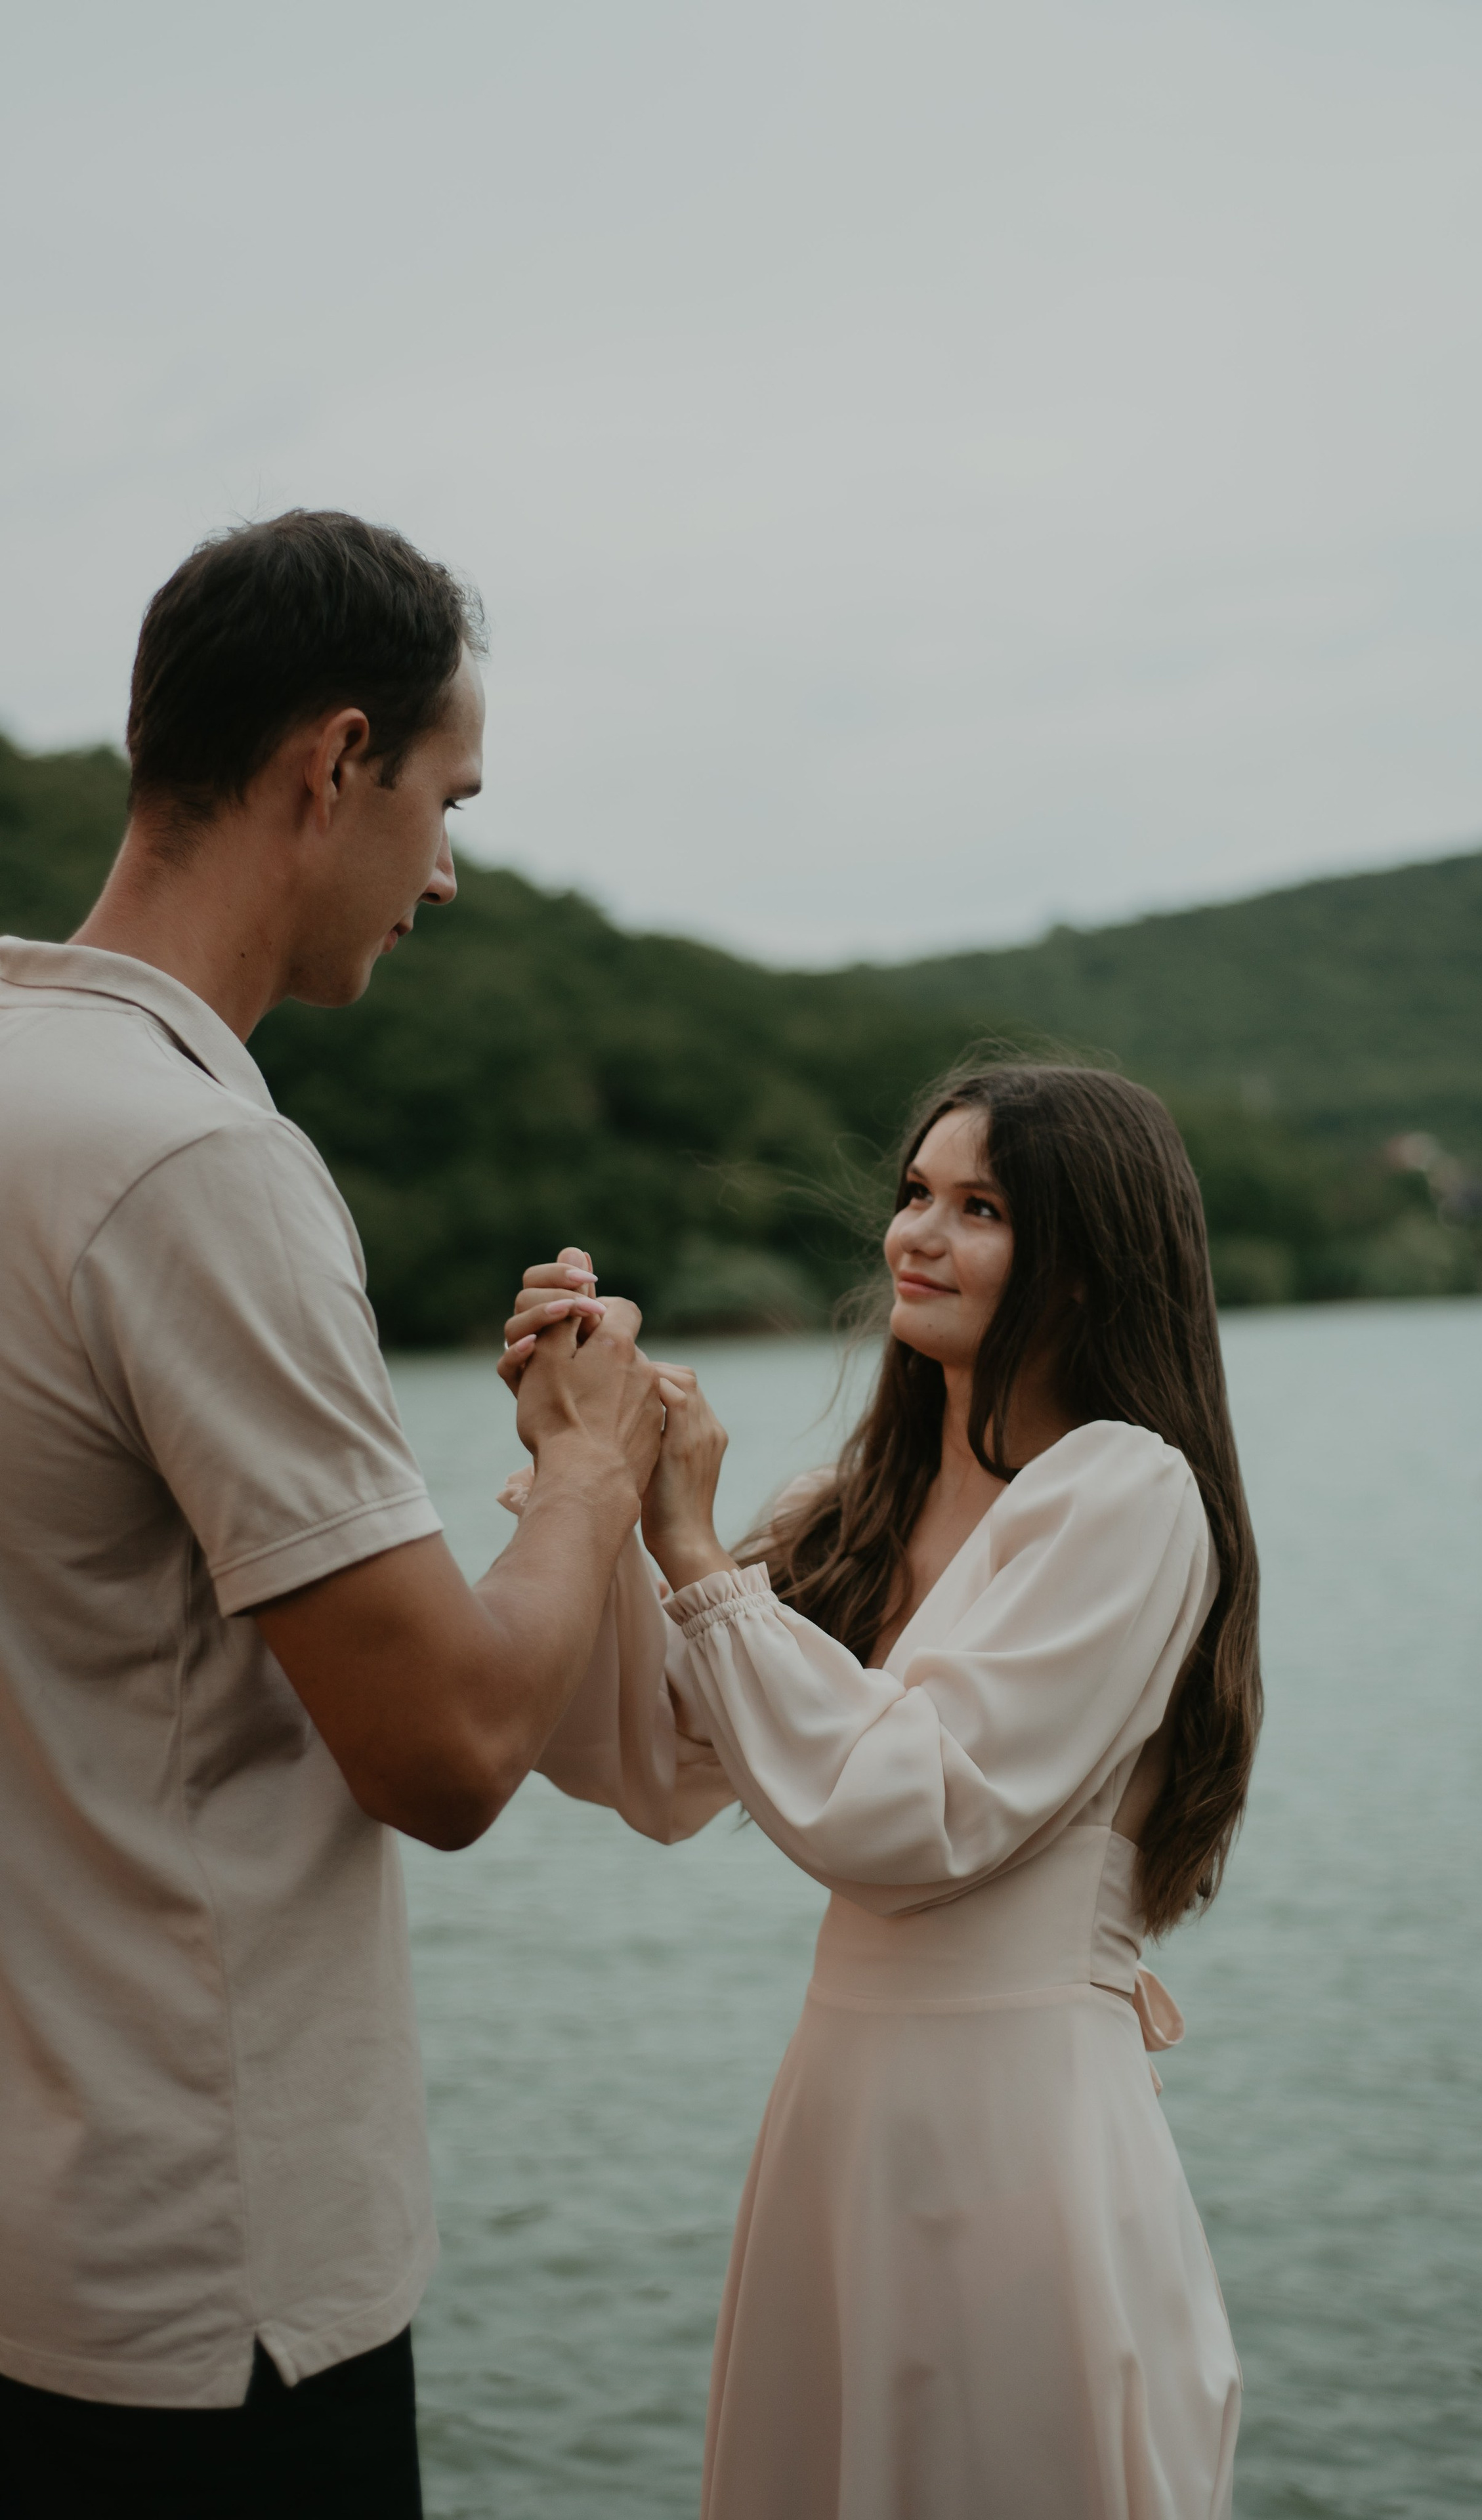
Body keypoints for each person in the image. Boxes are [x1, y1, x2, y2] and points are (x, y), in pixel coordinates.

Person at [0, 512, 664, 2519]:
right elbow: (451, 1749)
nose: (450, 869)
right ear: (333, 763)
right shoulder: (195, 1162)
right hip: (207, 2291)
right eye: (446, 801)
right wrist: (594, 1462)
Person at [507, 1059, 1259, 2519]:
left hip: (1014, 2136)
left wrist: (695, 1550)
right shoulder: (851, 1518)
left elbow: (909, 1816)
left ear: (1090, 1266)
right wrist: (585, 1471)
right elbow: (641, 1762)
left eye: (979, 1208)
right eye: (914, 1194)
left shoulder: (1127, 1494)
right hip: (839, 2126)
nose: (916, 1234)